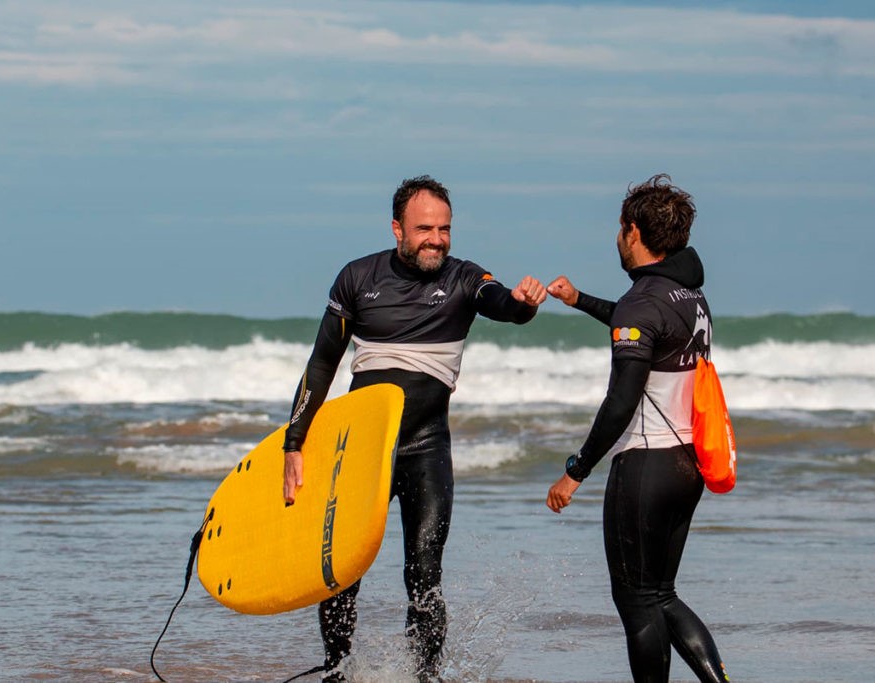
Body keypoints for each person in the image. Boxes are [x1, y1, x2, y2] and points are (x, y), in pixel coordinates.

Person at [282, 175, 547, 682]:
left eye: (445, 229)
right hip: (361, 451)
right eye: (425, 228)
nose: (437, 240)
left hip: (427, 447)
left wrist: (526, 302)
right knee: (341, 575)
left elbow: (505, 305)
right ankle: (338, 671)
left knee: (424, 575)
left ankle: (426, 678)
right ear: (397, 229)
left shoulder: (466, 279)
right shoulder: (357, 279)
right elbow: (322, 365)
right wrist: (295, 442)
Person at [545, 174, 730, 683]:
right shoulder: (688, 298)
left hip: (645, 465)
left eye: (618, 230)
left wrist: (575, 472)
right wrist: (580, 299)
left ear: (632, 231)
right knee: (660, 594)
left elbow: (622, 398)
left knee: (636, 599)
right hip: (686, 464)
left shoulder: (642, 303)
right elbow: (639, 325)